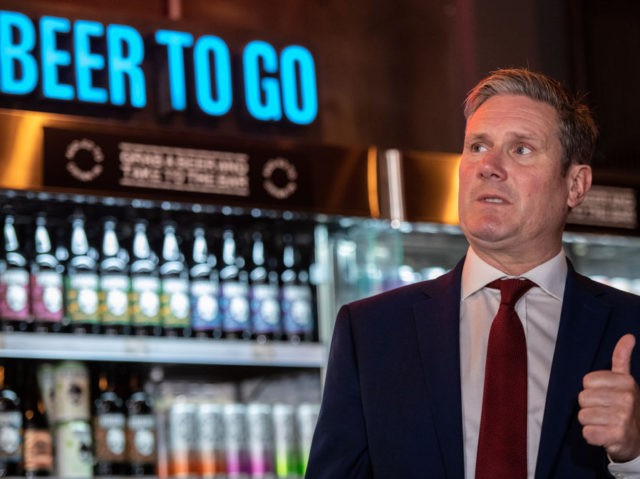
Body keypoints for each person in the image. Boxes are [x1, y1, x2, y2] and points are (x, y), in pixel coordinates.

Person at [305, 68, 640, 478]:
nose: (489, 167)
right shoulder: (372, 331)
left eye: (521, 150)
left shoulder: (631, 328)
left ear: (575, 185)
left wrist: (634, 456)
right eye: (478, 146)